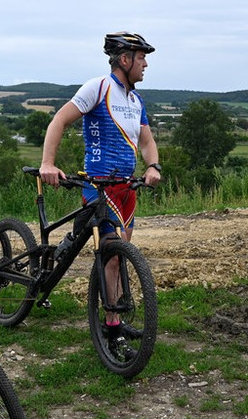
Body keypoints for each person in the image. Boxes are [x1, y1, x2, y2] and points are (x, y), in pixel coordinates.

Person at [39, 32, 162, 360]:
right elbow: (59, 121)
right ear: (125, 59)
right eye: (141, 56)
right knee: (112, 254)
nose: (146, 63)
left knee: (120, 253)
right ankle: (112, 327)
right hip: (99, 186)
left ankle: (116, 314)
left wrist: (153, 167)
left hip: (127, 188)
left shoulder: (137, 102)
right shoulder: (98, 87)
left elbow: (147, 141)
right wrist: (47, 163)